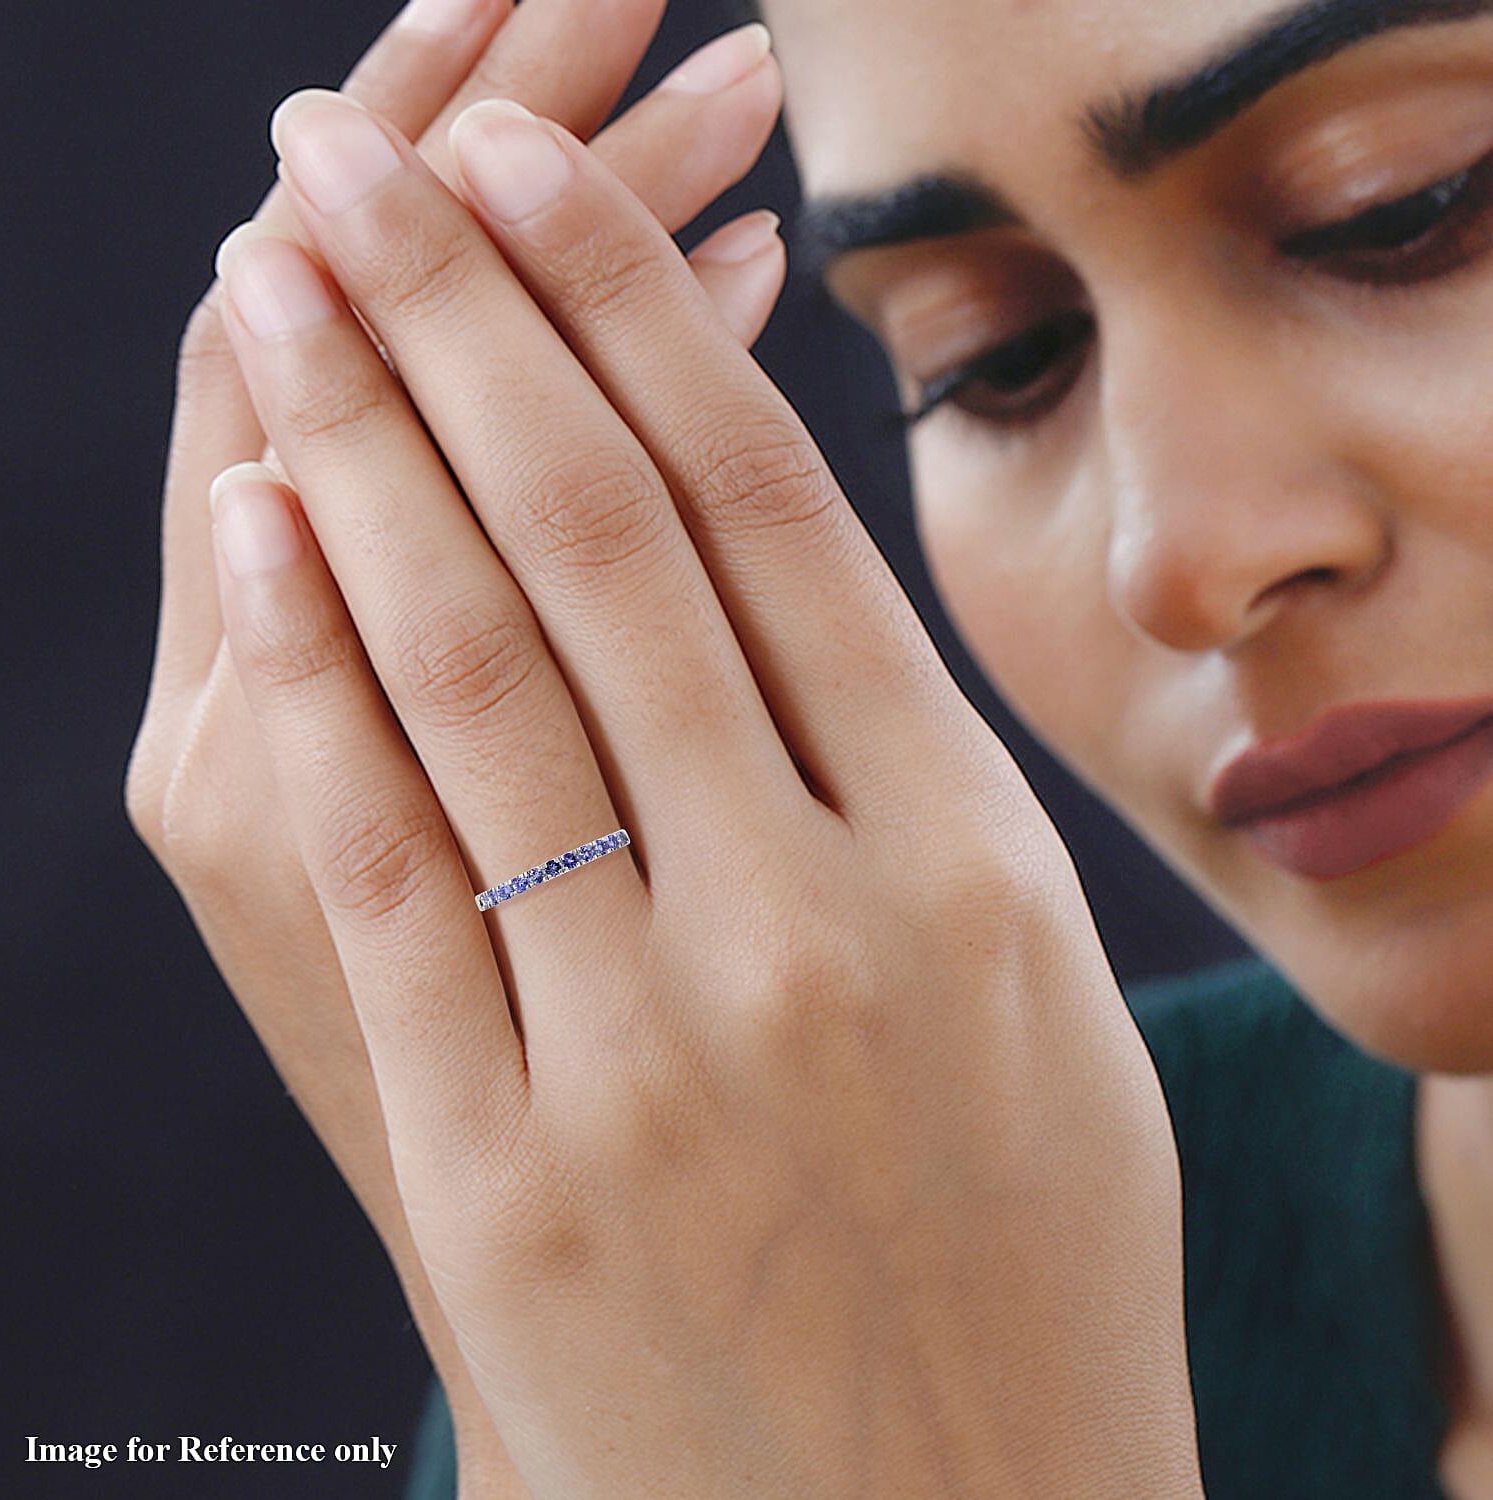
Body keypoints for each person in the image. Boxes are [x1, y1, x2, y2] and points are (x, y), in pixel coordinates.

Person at [122, 0, 1493, 1496]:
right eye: (996, 356)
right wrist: (557, 1378)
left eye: (1405, 205)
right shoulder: (817, 1242)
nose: (1175, 560)